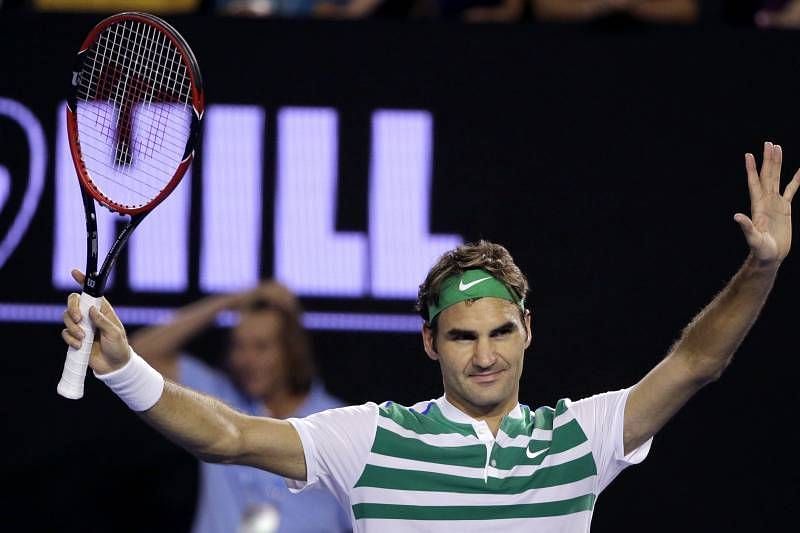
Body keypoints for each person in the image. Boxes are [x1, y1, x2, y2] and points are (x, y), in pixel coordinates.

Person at [61, 141, 797, 530]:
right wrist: (125, 367)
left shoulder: (582, 436)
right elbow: (227, 435)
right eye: (463, 336)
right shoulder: (374, 439)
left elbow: (698, 360)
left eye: (501, 331)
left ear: (527, 330)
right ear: (428, 343)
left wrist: (759, 269)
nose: (485, 354)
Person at [68, 276, 351, 533]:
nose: (247, 359)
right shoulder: (213, 402)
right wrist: (229, 302)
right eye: (240, 345)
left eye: (262, 347)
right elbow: (131, 356)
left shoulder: (336, 423)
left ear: (291, 350)